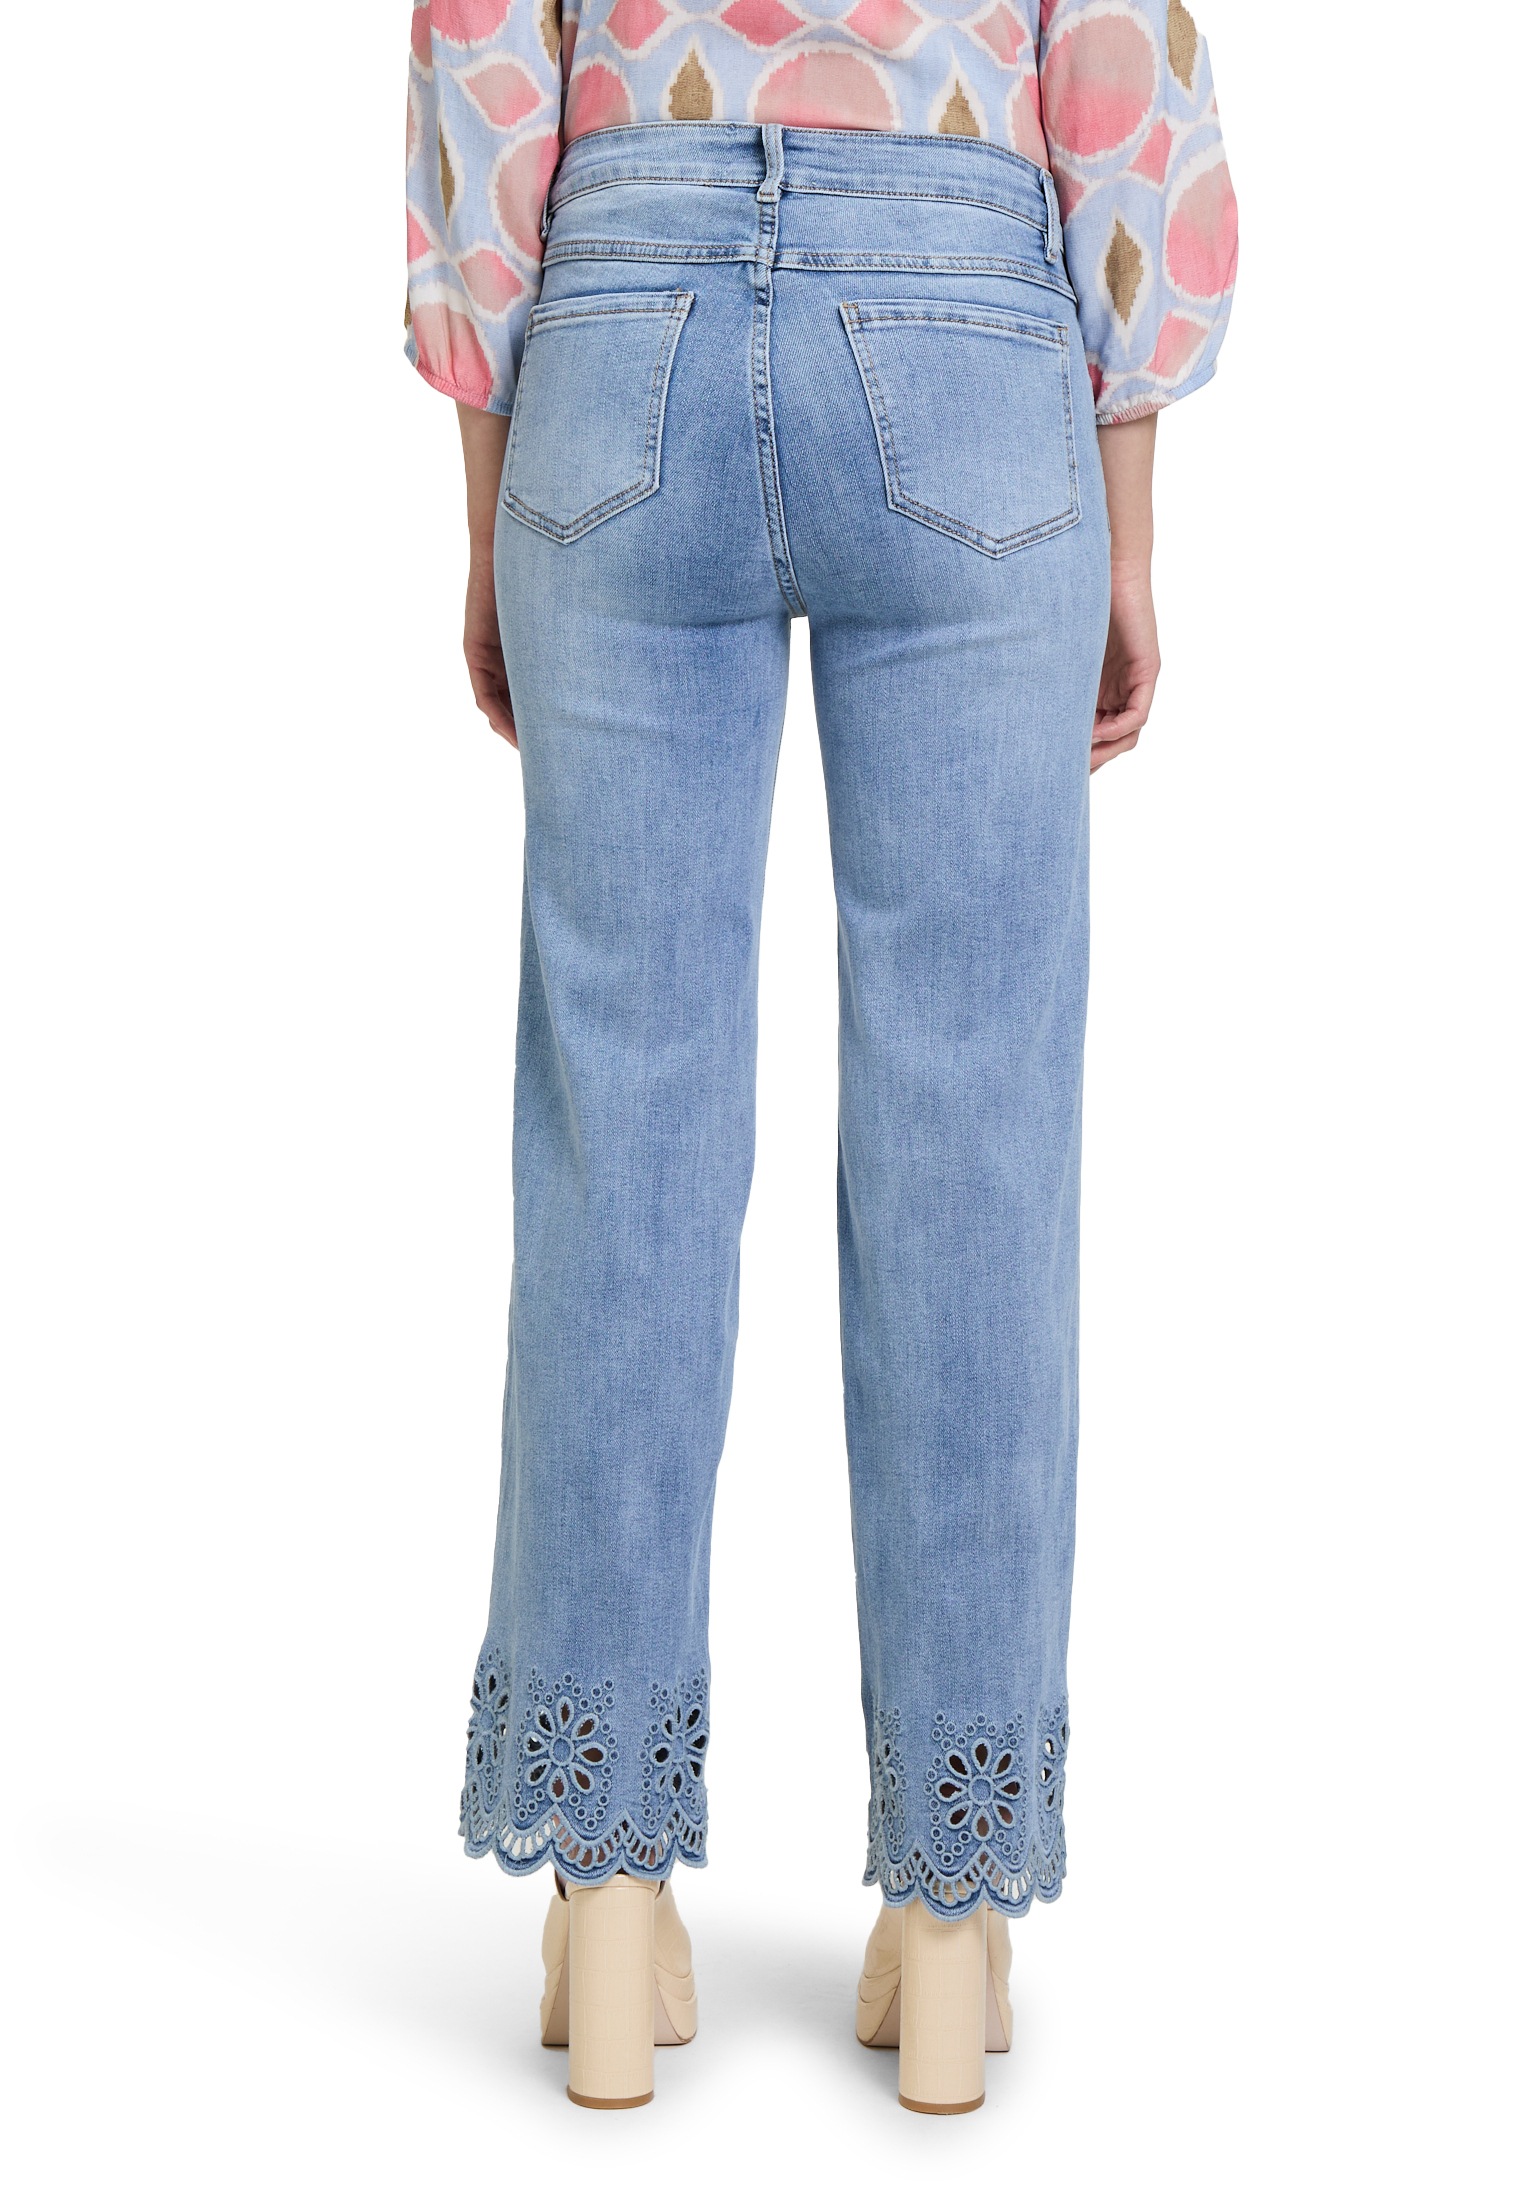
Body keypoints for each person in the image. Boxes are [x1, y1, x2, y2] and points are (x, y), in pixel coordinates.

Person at [404, 0, 1236, 2115]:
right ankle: (952, 1924)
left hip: (622, 322)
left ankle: (605, 1891)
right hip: (969, 337)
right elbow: (1122, 67)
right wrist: (1131, 523)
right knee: (973, 1125)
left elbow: (482, 50)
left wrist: (489, 500)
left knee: (622, 1112)